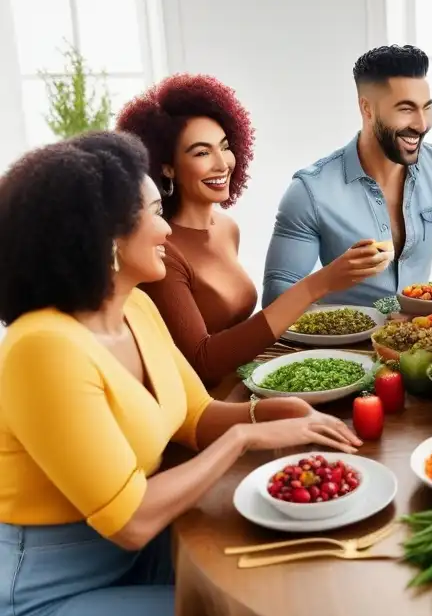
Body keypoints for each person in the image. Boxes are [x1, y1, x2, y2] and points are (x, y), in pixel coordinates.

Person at [0, 131, 362, 616]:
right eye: (153, 213)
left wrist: (273, 413)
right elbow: (130, 519)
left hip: (138, 556)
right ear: (105, 237)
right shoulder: (42, 350)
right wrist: (243, 442)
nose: (168, 228)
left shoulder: (136, 308)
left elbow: (196, 416)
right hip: (48, 600)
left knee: (294, 581)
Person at [117, 74, 389, 395]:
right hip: (204, 409)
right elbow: (203, 361)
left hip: (249, 384)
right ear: (166, 167)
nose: (222, 164)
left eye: (225, 147)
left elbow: (238, 332)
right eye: (201, 153)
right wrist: (320, 283)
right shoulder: (161, 250)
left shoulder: (226, 228)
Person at [262, 45, 432, 308]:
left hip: (421, 334)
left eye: (426, 108)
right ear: (367, 109)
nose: (421, 124)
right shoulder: (311, 192)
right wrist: (328, 279)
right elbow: (276, 299)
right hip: (346, 344)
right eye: (406, 109)